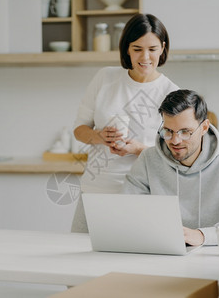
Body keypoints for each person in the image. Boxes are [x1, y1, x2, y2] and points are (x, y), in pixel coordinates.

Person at [71, 14, 179, 232]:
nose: (145, 57)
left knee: (131, 262)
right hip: (95, 190)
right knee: (79, 259)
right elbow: (79, 130)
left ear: (163, 48)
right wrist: (99, 136)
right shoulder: (105, 78)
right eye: (137, 48)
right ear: (126, 49)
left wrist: (139, 149)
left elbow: (176, 153)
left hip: (142, 194)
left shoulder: (172, 93)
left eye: (152, 48)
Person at [123, 89, 219, 246]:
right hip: (163, 251)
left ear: (204, 128)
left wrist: (203, 236)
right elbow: (128, 214)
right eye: (168, 131)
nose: (175, 141)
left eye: (185, 132)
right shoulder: (148, 159)